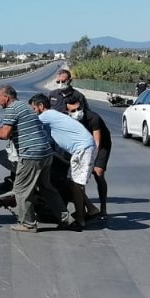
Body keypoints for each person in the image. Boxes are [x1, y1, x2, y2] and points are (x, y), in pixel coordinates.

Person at [0, 84, 73, 232]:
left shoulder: (12, 109)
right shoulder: (23, 106)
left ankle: (28, 223)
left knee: (21, 189)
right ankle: (66, 220)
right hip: (46, 153)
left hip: (32, 154)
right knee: (46, 188)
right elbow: (8, 130)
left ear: (7, 97)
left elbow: (4, 134)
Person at [29, 94, 94, 228]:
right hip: (79, 149)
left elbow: (30, 126)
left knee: (76, 185)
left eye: (33, 109)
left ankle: (80, 220)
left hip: (83, 148)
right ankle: (91, 209)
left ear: (41, 106)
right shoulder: (52, 116)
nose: (32, 112)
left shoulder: (46, 116)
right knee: (71, 183)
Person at [65, 99, 111, 218]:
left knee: (98, 173)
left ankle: (103, 207)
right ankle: (84, 209)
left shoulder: (93, 117)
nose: (77, 112)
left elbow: (97, 142)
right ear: (68, 112)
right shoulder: (68, 120)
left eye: (79, 109)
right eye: (73, 110)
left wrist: (90, 162)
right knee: (78, 177)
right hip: (82, 146)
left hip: (101, 145)